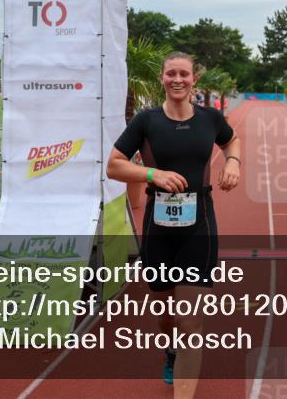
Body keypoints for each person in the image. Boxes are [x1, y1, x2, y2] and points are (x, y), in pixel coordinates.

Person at [106, 52, 241, 396]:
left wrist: (234, 162)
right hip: (158, 229)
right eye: (171, 74)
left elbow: (231, 140)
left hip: (200, 225)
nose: (177, 79)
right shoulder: (146, 121)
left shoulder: (210, 118)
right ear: (162, 79)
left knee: (190, 320)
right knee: (166, 315)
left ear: (194, 78)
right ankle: (170, 350)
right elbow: (114, 166)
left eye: (183, 73)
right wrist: (153, 173)